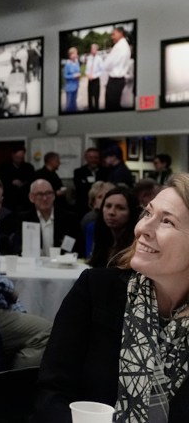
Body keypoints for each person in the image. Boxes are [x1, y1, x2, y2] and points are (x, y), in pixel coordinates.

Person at [34, 174, 189, 423]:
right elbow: (52, 393)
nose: (142, 229)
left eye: (167, 221)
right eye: (148, 213)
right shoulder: (96, 291)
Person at [0, 173, 51, 368]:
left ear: (1, 202)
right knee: (47, 332)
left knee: (32, 318)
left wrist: (15, 305)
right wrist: (3, 284)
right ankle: (13, 382)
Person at [12, 179, 81, 256]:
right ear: (31, 197)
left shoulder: (69, 219)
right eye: (40, 194)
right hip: (34, 262)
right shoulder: (24, 219)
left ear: (54, 196)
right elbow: (18, 247)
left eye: (48, 193)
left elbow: (77, 249)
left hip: (62, 262)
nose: (45, 198)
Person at [87, 187, 139, 268]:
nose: (111, 212)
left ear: (131, 213)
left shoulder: (135, 246)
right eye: (108, 206)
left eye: (120, 208)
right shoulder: (102, 237)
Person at [80, 181, 116, 258]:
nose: (104, 199)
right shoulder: (90, 219)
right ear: (93, 202)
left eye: (107, 196)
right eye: (100, 197)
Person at [0, 145, 35, 213]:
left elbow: (32, 181)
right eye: (17, 157)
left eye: (21, 157)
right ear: (12, 155)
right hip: (9, 200)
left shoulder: (28, 167)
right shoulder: (4, 167)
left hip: (24, 201)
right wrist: (11, 182)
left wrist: (24, 183)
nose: (19, 160)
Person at [73, 147, 107, 218]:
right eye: (91, 157)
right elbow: (80, 188)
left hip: (101, 206)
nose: (93, 160)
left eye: (96, 157)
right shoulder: (79, 172)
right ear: (86, 158)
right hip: (83, 206)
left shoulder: (106, 171)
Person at [103, 26, 131, 111]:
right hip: (120, 81)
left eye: (114, 34)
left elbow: (107, 64)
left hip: (114, 82)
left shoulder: (119, 46)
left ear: (120, 33)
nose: (112, 37)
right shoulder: (126, 46)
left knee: (111, 107)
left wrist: (106, 64)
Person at [85, 44, 104, 111]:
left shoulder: (99, 59)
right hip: (90, 80)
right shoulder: (89, 58)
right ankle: (90, 108)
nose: (92, 50)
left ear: (96, 50)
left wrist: (94, 76)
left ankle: (96, 108)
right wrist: (87, 74)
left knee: (96, 95)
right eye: (91, 48)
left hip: (96, 80)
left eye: (94, 49)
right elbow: (87, 69)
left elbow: (102, 70)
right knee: (89, 95)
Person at [63, 47, 81, 112]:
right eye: (75, 54)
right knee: (69, 105)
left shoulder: (77, 62)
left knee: (74, 103)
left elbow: (78, 71)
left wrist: (79, 74)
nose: (76, 55)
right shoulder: (67, 64)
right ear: (71, 55)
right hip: (70, 88)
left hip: (76, 86)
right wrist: (73, 76)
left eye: (76, 54)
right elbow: (65, 76)